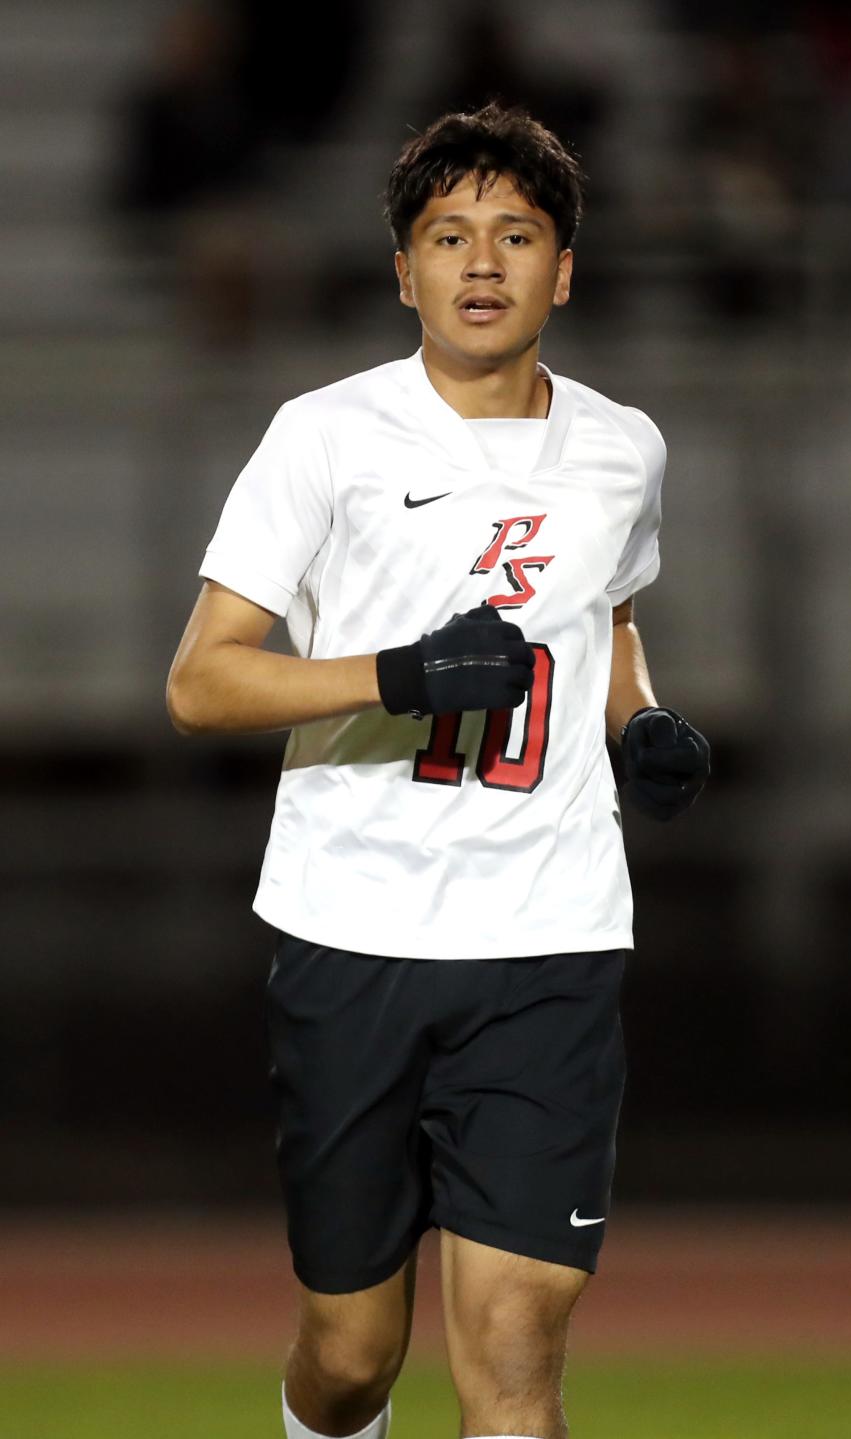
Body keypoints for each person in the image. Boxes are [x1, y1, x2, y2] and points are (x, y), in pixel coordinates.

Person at [167, 101, 709, 1439]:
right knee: (354, 1355)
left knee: (517, 1344)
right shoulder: (325, 437)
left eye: (515, 234)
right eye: (448, 236)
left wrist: (638, 723)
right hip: (354, 927)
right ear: (403, 270)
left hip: (552, 938)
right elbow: (203, 679)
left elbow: (612, 617)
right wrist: (395, 676)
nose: (482, 261)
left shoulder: (622, 448)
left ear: (563, 269)